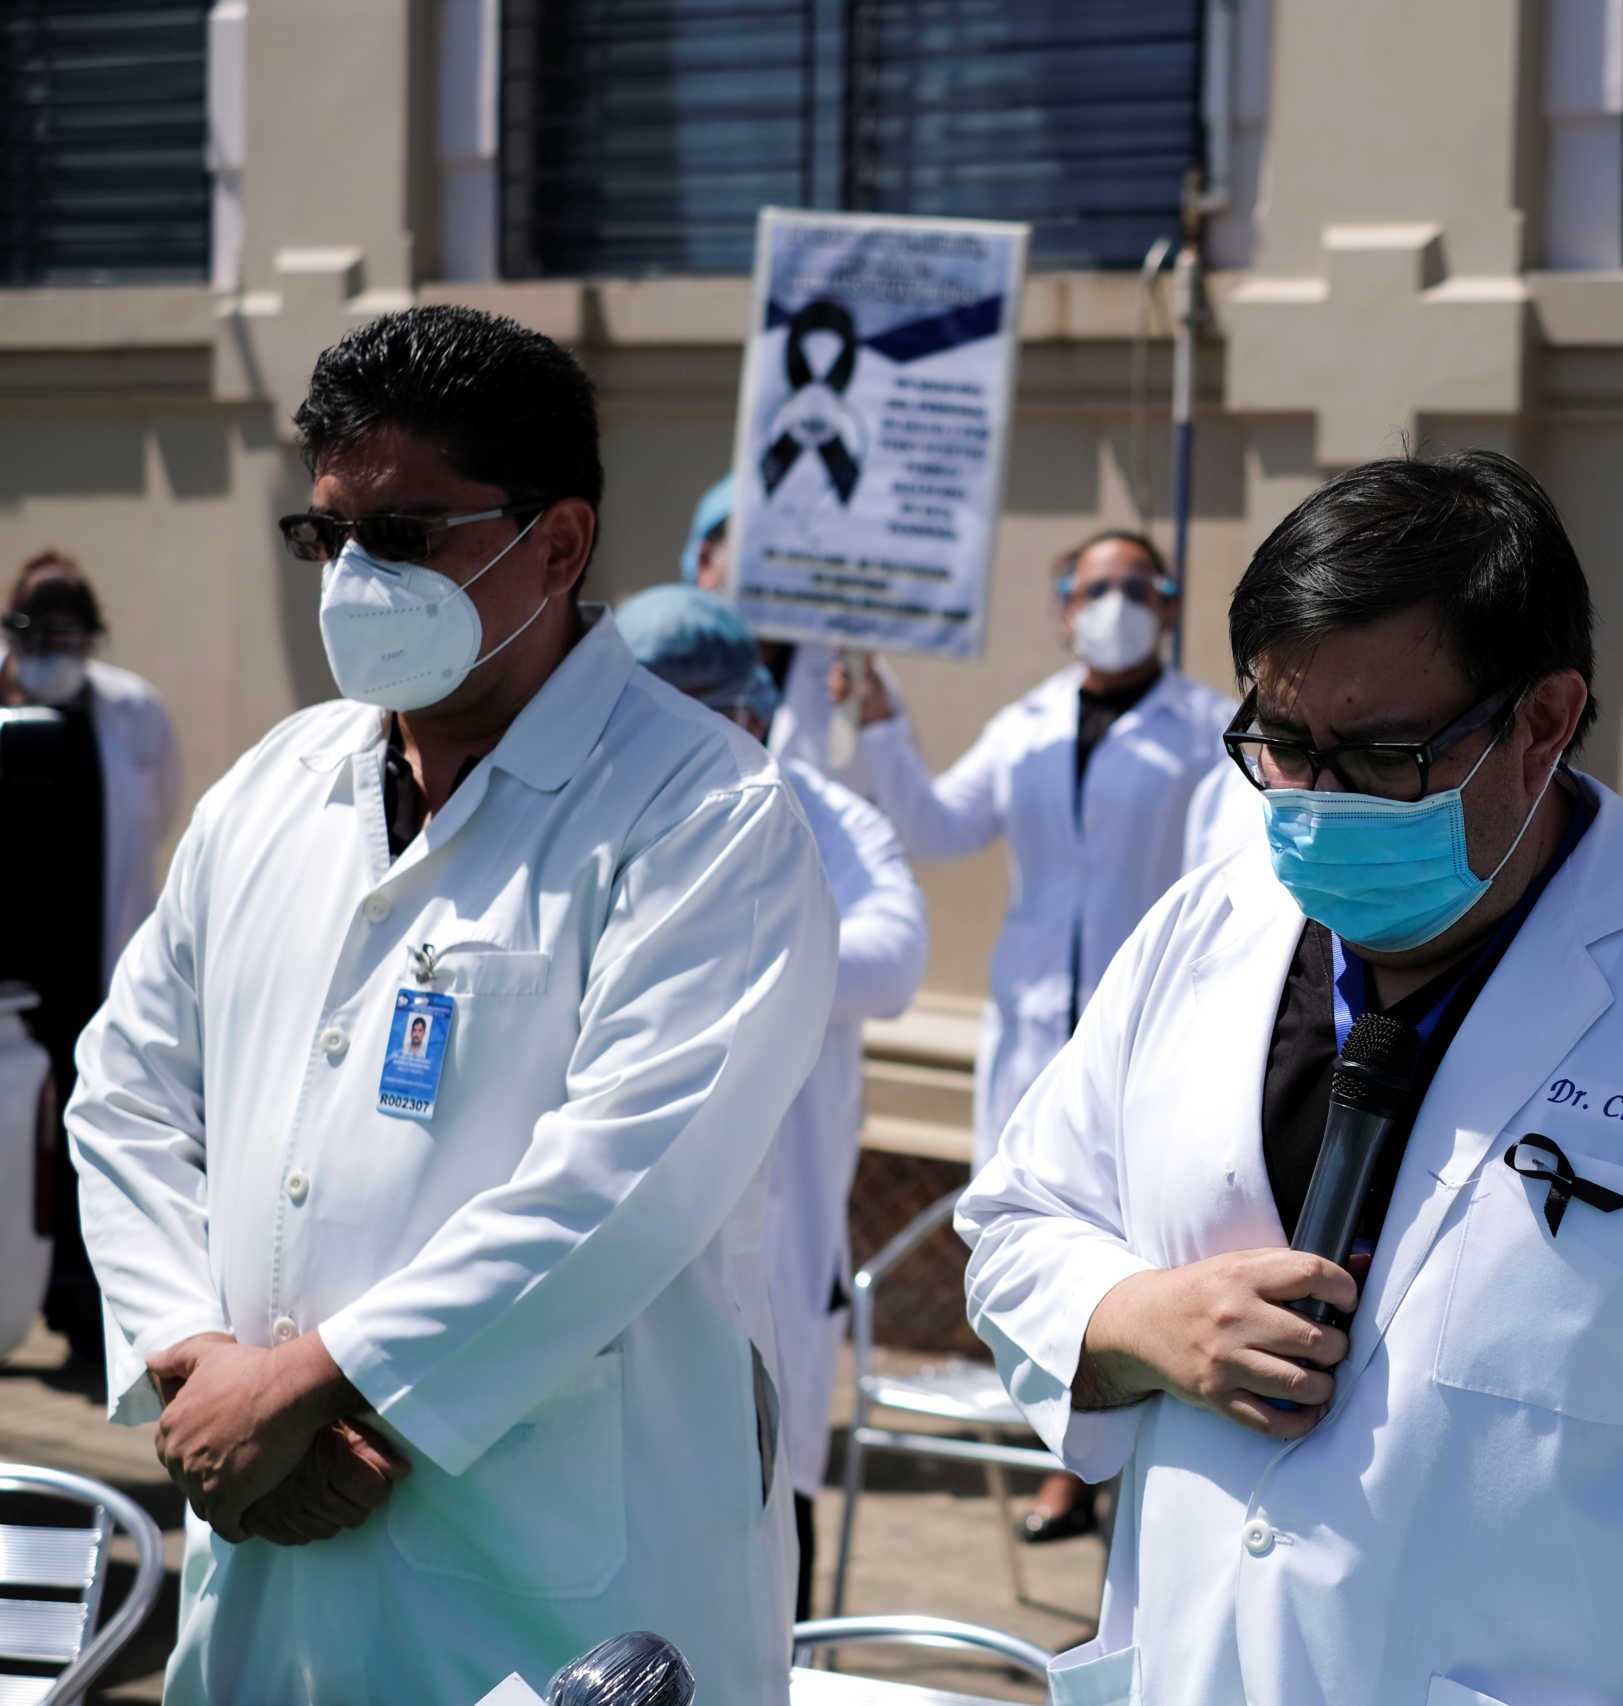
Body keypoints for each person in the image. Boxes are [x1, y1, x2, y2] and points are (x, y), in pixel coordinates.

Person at [957, 451, 1623, 1706]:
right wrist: (1131, 1318)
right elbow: (1018, 1219)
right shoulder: (1207, 928)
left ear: (1540, 721)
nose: (1316, 802)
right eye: (1280, 745)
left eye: (1379, 755)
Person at [66, 305, 837, 1706]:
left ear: (558, 543)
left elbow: (624, 1187)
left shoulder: (705, 815)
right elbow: (123, 1090)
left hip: (557, 1592)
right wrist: (197, 1370)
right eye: (327, 536)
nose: (357, 576)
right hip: (265, 1546)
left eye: (408, 534)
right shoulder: (272, 789)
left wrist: (313, 1384)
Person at [854, 527, 1231, 1542]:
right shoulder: (1023, 725)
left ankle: (1121, 1470)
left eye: (1135, 584)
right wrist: (886, 729)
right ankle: (1064, 1458)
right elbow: (934, 830)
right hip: (1028, 1032)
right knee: (1039, 1238)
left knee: (1144, 1239)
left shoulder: (1210, 731)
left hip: (1155, 1029)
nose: (1114, 600)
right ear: (1063, 604)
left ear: (1165, 600)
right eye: (1093, 584)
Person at [620, 582, 929, 1617]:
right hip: (616, 1221)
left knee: (756, 1512)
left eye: (711, 712)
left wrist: (722, 952)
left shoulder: (818, 809)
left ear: (753, 709)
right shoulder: (581, 807)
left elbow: (893, 959)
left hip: (778, 1223)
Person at [0, 553, 183, 1363]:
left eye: (70, 633)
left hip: (90, 972)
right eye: (40, 633)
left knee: (87, 1148)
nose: (54, 649)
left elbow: (163, 807)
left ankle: (79, 1322)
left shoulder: (133, 714)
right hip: (10, 981)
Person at [681, 472, 869, 795]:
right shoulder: (658, 663)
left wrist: (867, 717)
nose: (779, 565)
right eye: (759, 548)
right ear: (705, 561)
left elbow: (897, 814)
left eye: (793, 547)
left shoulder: (851, 671)